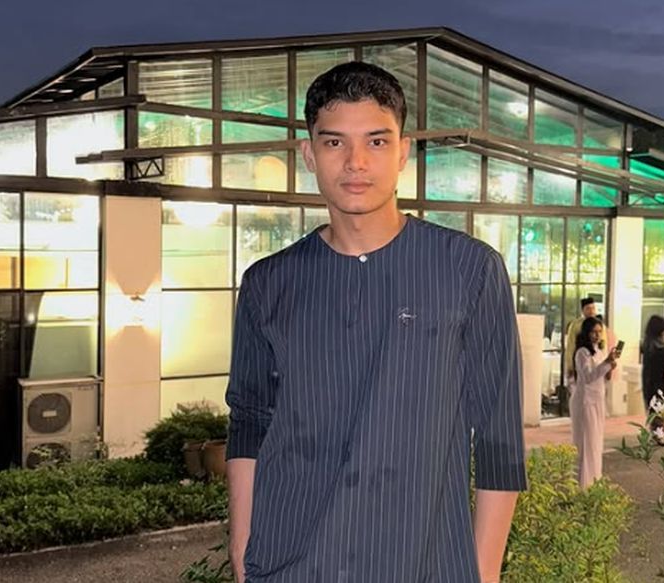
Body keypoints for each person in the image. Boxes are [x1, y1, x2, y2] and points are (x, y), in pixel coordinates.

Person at [225, 61, 526, 583]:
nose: (356, 162)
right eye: (334, 142)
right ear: (308, 154)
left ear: (403, 152)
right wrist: (242, 548)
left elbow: (498, 437)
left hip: (424, 567)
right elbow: (250, 422)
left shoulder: (469, 271)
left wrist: (482, 573)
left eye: (377, 142)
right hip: (290, 565)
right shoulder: (267, 284)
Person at [570, 317, 618, 488]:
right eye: (593, 332)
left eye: (599, 332)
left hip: (597, 400)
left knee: (596, 443)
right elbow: (589, 376)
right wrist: (606, 363)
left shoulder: (599, 351)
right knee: (586, 443)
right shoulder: (582, 353)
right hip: (585, 402)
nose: (597, 335)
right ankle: (583, 483)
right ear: (586, 333)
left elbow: (604, 377)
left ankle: (594, 480)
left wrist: (610, 365)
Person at [641, 315, 664, 445]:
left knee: (657, 407)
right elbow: (660, 356)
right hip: (655, 381)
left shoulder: (651, 342)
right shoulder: (654, 344)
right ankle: (659, 434)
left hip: (653, 380)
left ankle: (658, 433)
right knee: (657, 407)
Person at [564, 298, 608, 382]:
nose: (591, 311)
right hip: (580, 358)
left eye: (593, 308)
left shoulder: (600, 325)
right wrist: (570, 366)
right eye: (588, 308)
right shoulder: (575, 325)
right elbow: (570, 346)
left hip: (596, 360)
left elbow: (603, 345)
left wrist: (606, 362)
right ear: (582, 311)